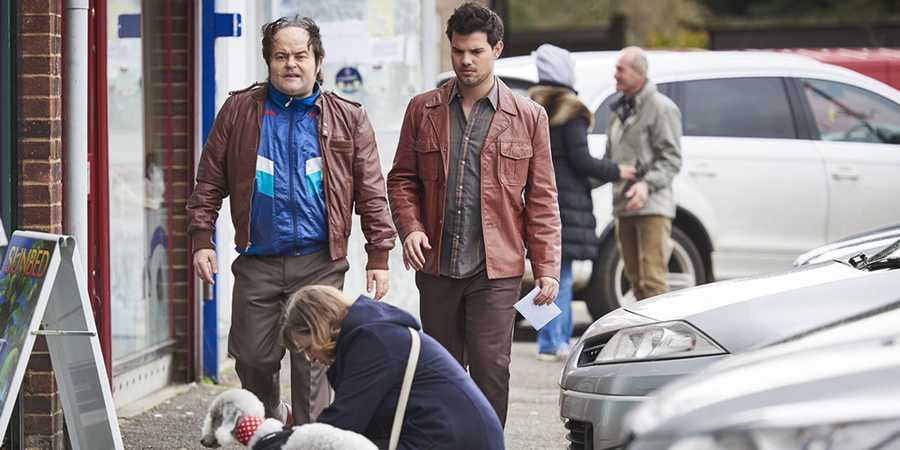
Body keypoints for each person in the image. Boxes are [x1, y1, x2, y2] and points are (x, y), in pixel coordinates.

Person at [186, 16, 396, 426]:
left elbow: (372, 190)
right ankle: (269, 423)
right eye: (281, 56)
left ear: (318, 60)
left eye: (301, 55)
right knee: (252, 357)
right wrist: (201, 238)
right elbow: (209, 179)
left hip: (320, 262)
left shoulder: (347, 117)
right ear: (269, 61)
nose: (291, 64)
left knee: (313, 364)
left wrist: (380, 254)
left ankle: (309, 435)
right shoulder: (239, 111)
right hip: (258, 259)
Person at [386, 1, 561, 427]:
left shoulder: (529, 117)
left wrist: (547, 268)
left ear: (496, 50)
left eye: (476, 51)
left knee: (491, 369)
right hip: (438, 266)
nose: (465, 60)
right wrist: (409, 228)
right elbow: (401, 179)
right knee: (440, 372)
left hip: (495, 268)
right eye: (458, 50)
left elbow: (541, 199)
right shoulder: (422, 109)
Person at [280, 285, 506, 450]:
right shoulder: (374, 333)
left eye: (307, 347)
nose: (310, 358)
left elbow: (343, 423)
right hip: (453, 436)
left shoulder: (373, 342)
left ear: (319, 327)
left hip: (453, 441)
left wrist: (278, 441)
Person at [529, 44, 637, 361]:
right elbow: (581, 160)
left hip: (538, 196)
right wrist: (617, 170)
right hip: (566, 202)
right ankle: (554, 342)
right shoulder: (570, 109)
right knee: (560, 274)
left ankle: (545, 340)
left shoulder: (532, 105)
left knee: (544, 272)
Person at [604, 46, 682, 300]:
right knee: (635, 282)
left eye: (620, 69)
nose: (615, 74)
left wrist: (646, 184)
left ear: (641, 73)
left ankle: (665, 338)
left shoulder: (661, 107)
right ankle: (645, 338)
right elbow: (609, 160)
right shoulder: (618, 112)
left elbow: (672, 158)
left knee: (653, 282)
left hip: (652, 206)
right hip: (624, 206)